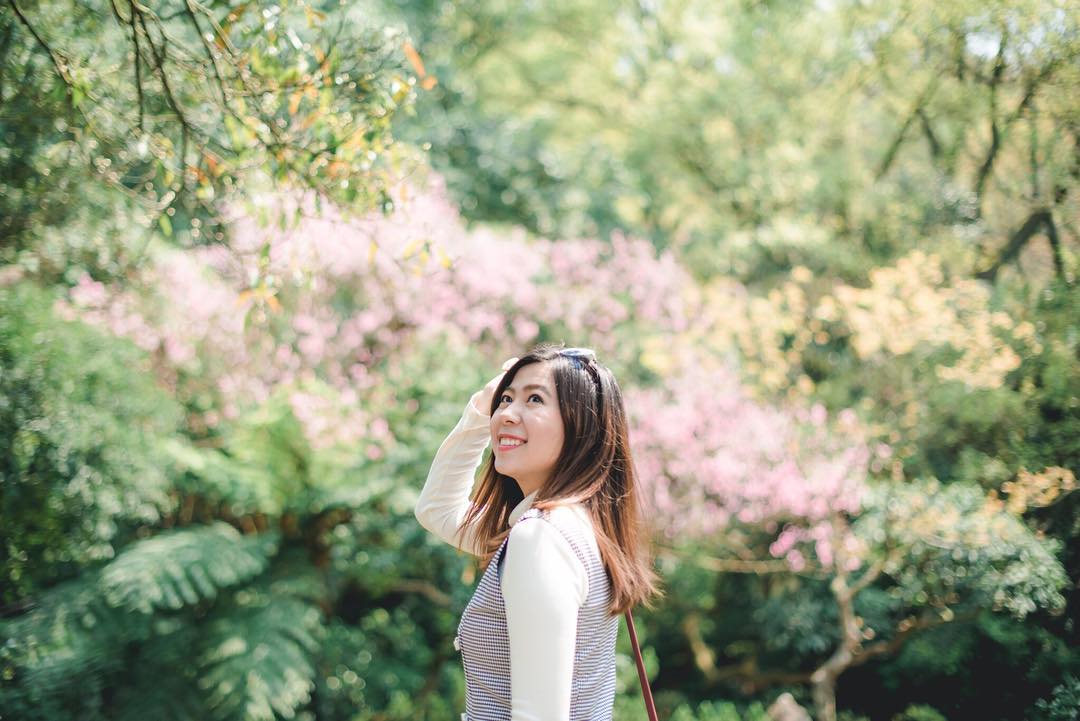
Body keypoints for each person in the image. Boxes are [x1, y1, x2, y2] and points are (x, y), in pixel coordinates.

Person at [414, 343, 663, 721]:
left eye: (534, 399)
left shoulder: (541, 539)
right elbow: (438, 510)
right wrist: (482, 406)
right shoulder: (578, 525)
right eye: (506, 399)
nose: (507, 414)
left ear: (581, 425)